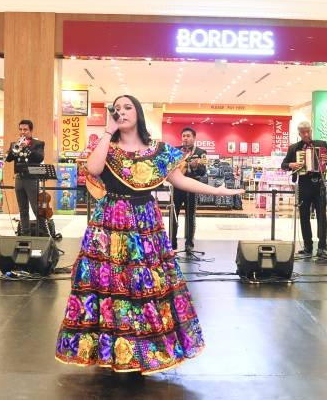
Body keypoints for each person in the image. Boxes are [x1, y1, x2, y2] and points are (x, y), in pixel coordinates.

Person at [55, 95, 242, 374]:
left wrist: (219, 191)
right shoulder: (108, 146)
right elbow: (92, 169)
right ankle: (110, 348)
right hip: (109, 223)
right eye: (116, 109)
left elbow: (181, 181)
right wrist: (107, 130)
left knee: (144, 285)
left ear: (139, 113)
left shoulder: (160, 150)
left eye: (127, 107)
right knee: (108, 284)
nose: (121, 112)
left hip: (144, 222)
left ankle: (145, 349)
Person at [280, 121, 327, 258]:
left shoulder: (321, 144)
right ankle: (307, 246)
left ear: (311, 131)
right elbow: (283, 164)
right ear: (299, 134)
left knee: (322, 217)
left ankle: (322, 247)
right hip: (304, 185)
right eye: (303, 132)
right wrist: (291, 164)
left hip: (319, 185)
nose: (306, 134)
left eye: (308, 131)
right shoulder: (294, 148)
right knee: (304, 217)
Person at [5, 119, 46, 235]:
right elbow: (8, 159)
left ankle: (43, 233)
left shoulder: (38, 144)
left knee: (36, 208)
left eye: (25, 130)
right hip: (19, 178)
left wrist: (27, 148)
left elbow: (40, 158)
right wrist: (14, 149)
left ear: (31, 130)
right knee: (22, 209)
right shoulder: (14, 144)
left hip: (32, 179)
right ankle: (25, 233)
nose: (22, 132)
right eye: (21, 129)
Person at [171, 127, 208, 251]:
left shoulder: (200, 152)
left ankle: (189, 242)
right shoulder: (175, 150)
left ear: (194, 138)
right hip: (176, 188)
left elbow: (203, 172)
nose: (185, 138)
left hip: (191, 188)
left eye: (188, 136)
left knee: (190, 216)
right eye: (183, 136)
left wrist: (196, 166)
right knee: (173, 215)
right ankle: (172, 242)